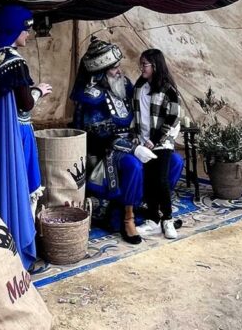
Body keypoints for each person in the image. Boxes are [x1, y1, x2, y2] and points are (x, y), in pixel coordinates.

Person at [0, 5, 52, 269]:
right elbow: (25, 103)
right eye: (26, 29)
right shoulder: (12, 59)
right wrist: (39, 90)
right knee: (25, 187)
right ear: (15, 30)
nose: (28, 34)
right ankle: (20, 248)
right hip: (17, 135)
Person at [71, 37, 146, 244]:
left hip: (134, 142)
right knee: (133, 165)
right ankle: (128, 218)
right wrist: (133, 148)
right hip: (107, 152)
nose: (119, 71)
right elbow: (99, 136)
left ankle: (154, 208)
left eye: (118, 66)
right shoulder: (92, 98)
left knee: (173, 161)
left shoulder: (125, 85)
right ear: (100, 73)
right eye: (114, 68)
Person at [132, 48, 185, 239]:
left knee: (161, 181)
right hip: (143, 140)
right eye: (141, 64)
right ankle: (153, 220)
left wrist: (154, 141)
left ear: (155, 65)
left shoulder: (168, 90)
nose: (141, 68)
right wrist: (139, 138)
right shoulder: (139, 86)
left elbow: (172, 118)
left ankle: (168, 219)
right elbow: (136, 113)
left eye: (144, 64)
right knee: (149, 180)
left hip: (161, 143)